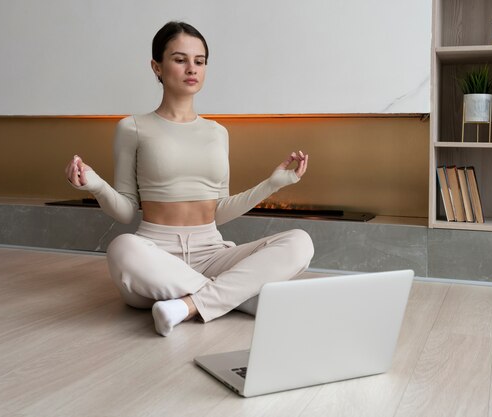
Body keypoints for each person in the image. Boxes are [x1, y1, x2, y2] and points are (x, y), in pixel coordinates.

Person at [65, 21, 314, 337]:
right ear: (157, 66)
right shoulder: (132, 128)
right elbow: (127, 211)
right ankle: (237, 297)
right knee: (121, 248)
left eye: (199, 61)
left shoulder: (217, 132)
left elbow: (219, 211)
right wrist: (96, 185)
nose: (191, 68)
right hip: (155, 258)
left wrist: (273, 184)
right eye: (180, 59)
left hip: (212, 253)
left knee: (299, 242)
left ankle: (186, 305)